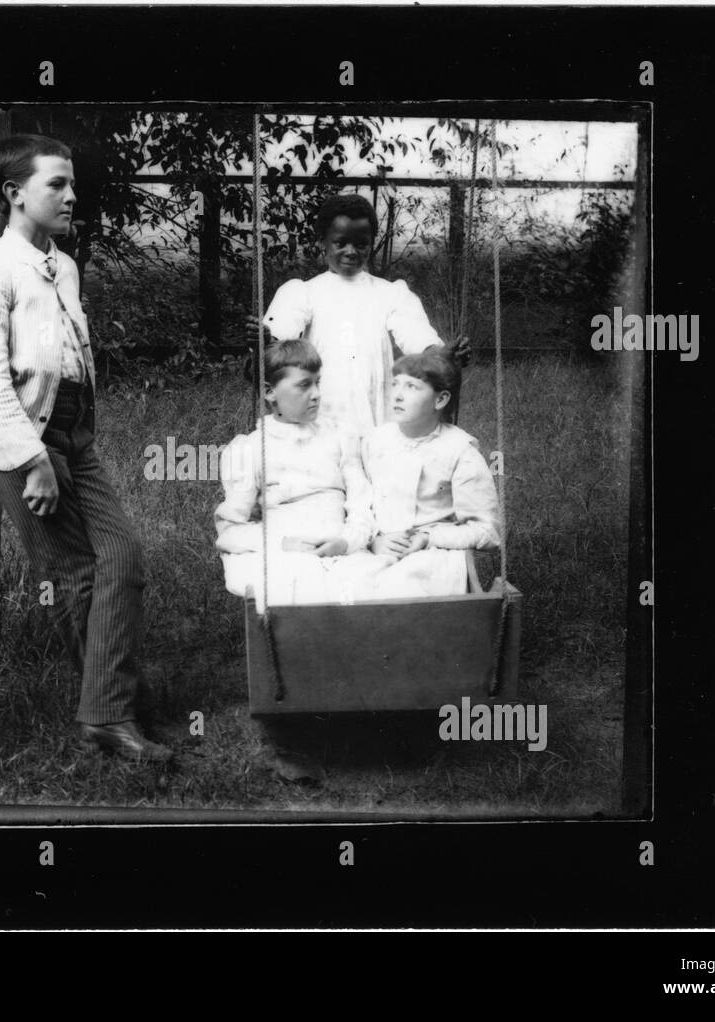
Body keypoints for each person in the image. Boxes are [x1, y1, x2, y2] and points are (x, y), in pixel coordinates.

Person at [0, 133, 171, 762]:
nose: (73, 195)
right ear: (15, 194)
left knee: (122, 553)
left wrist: (66, 441)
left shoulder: (62, 265)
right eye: (57, 185)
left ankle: (112, 694)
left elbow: (59, 344)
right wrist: (33, 461)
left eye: (71, 183)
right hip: (15, 435)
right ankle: (109, 714)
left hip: (72, 431)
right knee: (75, 571)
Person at [214, 339, 381, 784]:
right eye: (304, 385)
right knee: (293, 595)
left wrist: (349, 540)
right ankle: (294, 732)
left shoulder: (340, 438)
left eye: (318, 384)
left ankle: (356, 718)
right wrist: (279, 543)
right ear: (270, 393)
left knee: (370, 593)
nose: (315, 395)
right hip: (285, 546)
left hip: (339, 544)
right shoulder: (254, 447)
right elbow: (229, 526)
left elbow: (363, 505)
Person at [247, 193, 469, 438]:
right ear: (323, 241)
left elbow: (416, 334)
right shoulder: (304, 292)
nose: (350, 251)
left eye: (361, 244)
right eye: (340, 243)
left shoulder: (390, 293)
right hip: (321, 407)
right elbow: (279, 344)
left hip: (374, 409)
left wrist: (441, 354)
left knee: (374, 461)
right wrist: (266, 339)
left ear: (371, 243)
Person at [362, 348, 501, 598]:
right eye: (395, 384)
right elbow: (361, 502)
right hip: (379, 544)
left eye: (412, 387)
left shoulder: (460, 451)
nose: (398, 396)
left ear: (440, 400)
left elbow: (488, 531)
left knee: (402, 586)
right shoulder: (375, 441)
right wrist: (374, 539)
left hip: (432, 553)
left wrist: (428, 537)